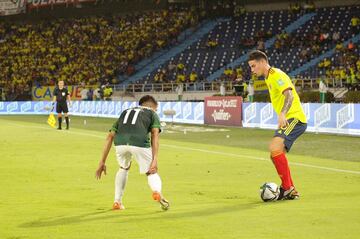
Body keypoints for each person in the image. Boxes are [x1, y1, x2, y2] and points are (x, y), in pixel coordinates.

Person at [247, 50, 307, 200]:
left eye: (253, 66)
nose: (252, 70)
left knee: (275, 148)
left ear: (262, 62)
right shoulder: (268, 77)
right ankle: (290, 190)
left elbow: (289, 94)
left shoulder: (276, 75)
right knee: (275, 154)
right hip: (290, 118)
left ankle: (288, 188)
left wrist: (282, 113)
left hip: (295, 118)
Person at [95, 95, 169, 211]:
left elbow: (110, 136)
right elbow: (155, 134)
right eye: (156, 108)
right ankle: (157, 191)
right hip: (139, 142)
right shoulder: (151, 113)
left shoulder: (125, 112)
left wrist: (102, 161)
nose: (156, 111)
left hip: (120, 143)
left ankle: (117, 202)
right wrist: (155, 159)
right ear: (150, 106)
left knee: (123, 168)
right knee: (151, 172)